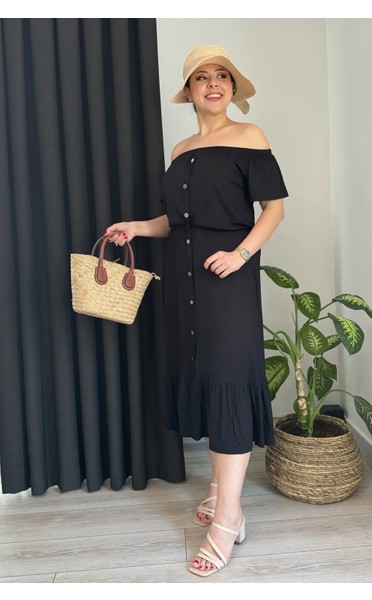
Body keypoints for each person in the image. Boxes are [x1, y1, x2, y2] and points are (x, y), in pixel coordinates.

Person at [106, 44, 288, 578]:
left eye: (222, 77)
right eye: (201, 78)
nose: (213, 84)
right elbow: (176, 220)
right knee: (205, 378)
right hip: (181, 283)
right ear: (188, 92)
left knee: (227, 381)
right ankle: (217, 487)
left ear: (231, 88)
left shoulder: (249, 137)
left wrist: (240, 254)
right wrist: (137, 228)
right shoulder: (181, 148)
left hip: (226, 279)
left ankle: (230, 518)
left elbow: (274, 209)